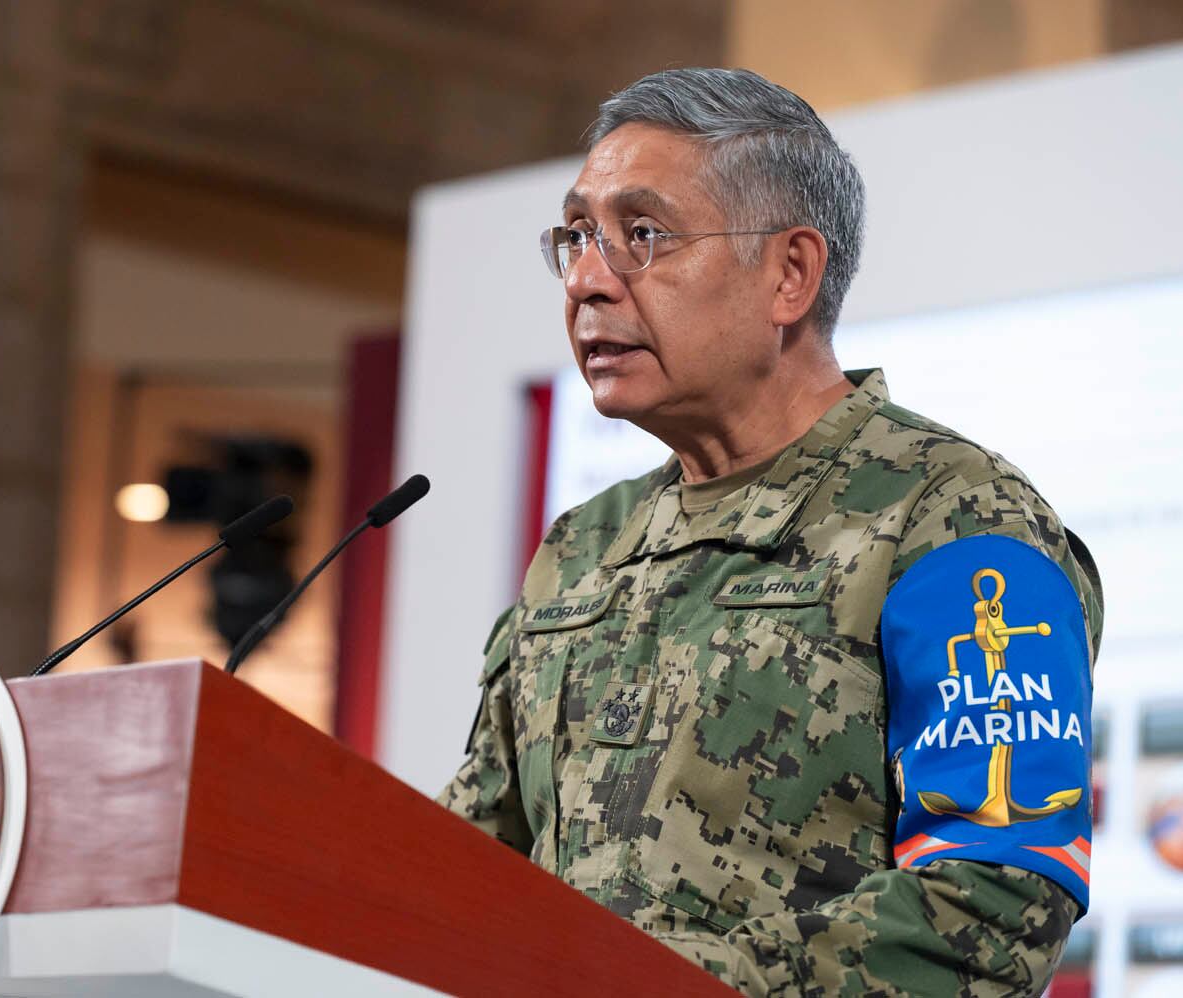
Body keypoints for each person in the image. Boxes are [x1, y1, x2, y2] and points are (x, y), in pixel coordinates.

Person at [438, 68, 1102, 997]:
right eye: (579, 236)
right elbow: (467, 865)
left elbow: (993, 903)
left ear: (790, 273)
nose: (588, 280)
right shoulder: (584, 546)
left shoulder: (951, 516)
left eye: (643, 235)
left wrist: (648, 983)